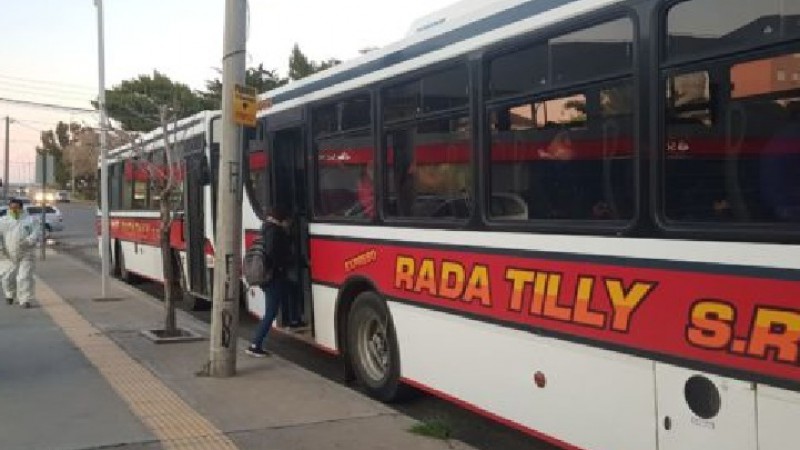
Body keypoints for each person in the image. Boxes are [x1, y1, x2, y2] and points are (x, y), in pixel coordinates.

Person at [246, 205, 294, 357]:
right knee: (271, 313)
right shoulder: (275, 231)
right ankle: (255, 344)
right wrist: (281, 267)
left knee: (290, 291)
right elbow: (274, 255)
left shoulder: (265, 228)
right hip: (272, 277)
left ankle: (293, 319)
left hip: (267, 277)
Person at [0, 198, 41, 308]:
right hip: (7, 254)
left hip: (26, 253)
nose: (14, 210)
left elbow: (37, 232)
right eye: (12, 208)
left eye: (16, 208)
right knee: (6, 277)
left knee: (24, 277)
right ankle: (10, 294)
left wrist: (29, 241)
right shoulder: (3, 221)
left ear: (21, 208)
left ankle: (25, 300)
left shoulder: (30, 220)